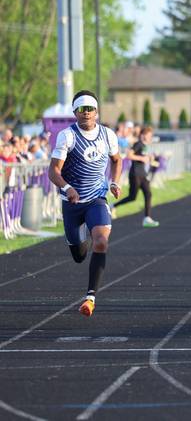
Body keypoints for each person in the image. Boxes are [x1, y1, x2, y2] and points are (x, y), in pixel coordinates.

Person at [48, 90, 122, 317]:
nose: (86, 113)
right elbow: (53, 171)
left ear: (97, 112)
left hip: (97, 199)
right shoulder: (67, 136)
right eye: (81, 109)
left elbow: (117, 160)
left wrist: (114, 182)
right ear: (75, 113)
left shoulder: (108, 135)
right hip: (71, 202)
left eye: (90, 109)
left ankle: (90, 297)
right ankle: (81, 234)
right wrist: (67, 188)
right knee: (79, 255)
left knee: (101, 241)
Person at [110, 126, 159, 227]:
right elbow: (129, 155)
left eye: (151, 135)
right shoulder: (138, 144)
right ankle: (113, 205)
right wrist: (142, 158)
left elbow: (144, 157)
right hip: (135, 174)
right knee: (132, 197)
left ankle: (147, 218)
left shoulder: (145, 146)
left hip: (143, 175)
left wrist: (149, 158)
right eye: (149, 135)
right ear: (143, 135)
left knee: (148, 194)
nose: (150, 137)